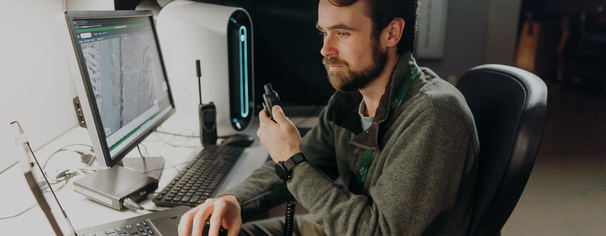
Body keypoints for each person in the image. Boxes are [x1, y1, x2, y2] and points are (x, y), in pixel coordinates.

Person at [178, 0, 479, 235]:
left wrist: (293, 161)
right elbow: (297, 163)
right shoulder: (351, 98)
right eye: (324, 32)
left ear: (392, 33)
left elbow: (376, 231)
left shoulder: (435, 114)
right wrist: (234, 200)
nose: (325, 49)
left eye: (342, 33)